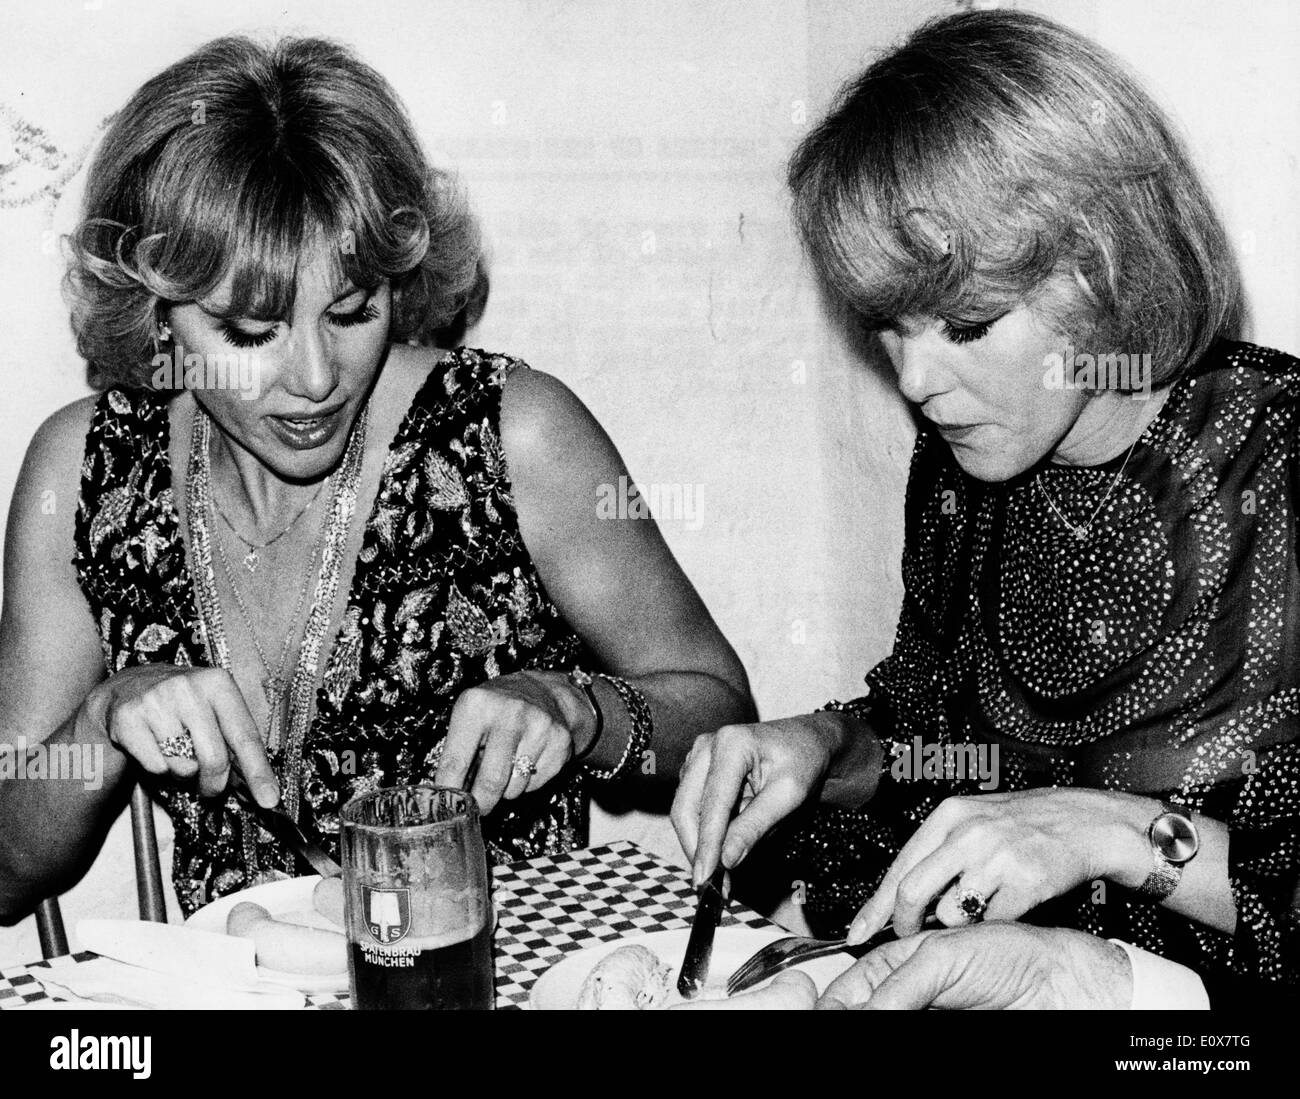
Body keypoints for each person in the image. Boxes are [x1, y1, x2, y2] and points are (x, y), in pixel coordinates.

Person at [0, 35, 754, 920]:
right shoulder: (88, 471)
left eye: (354, 311)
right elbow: (8, 869)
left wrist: (578, 707)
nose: (317, 377)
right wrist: (100, 722)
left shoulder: (514, 436)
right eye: (251, 333)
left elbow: (719, 711)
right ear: (155, 315)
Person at [672, 8, 1299, 998]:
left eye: (967, 323)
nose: (916, 379)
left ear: (1103, 266)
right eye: (889, 324)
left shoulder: (1278, 468)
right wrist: (821, 748)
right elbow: (939, 739)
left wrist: (1107, 828)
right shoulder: (970, 462)